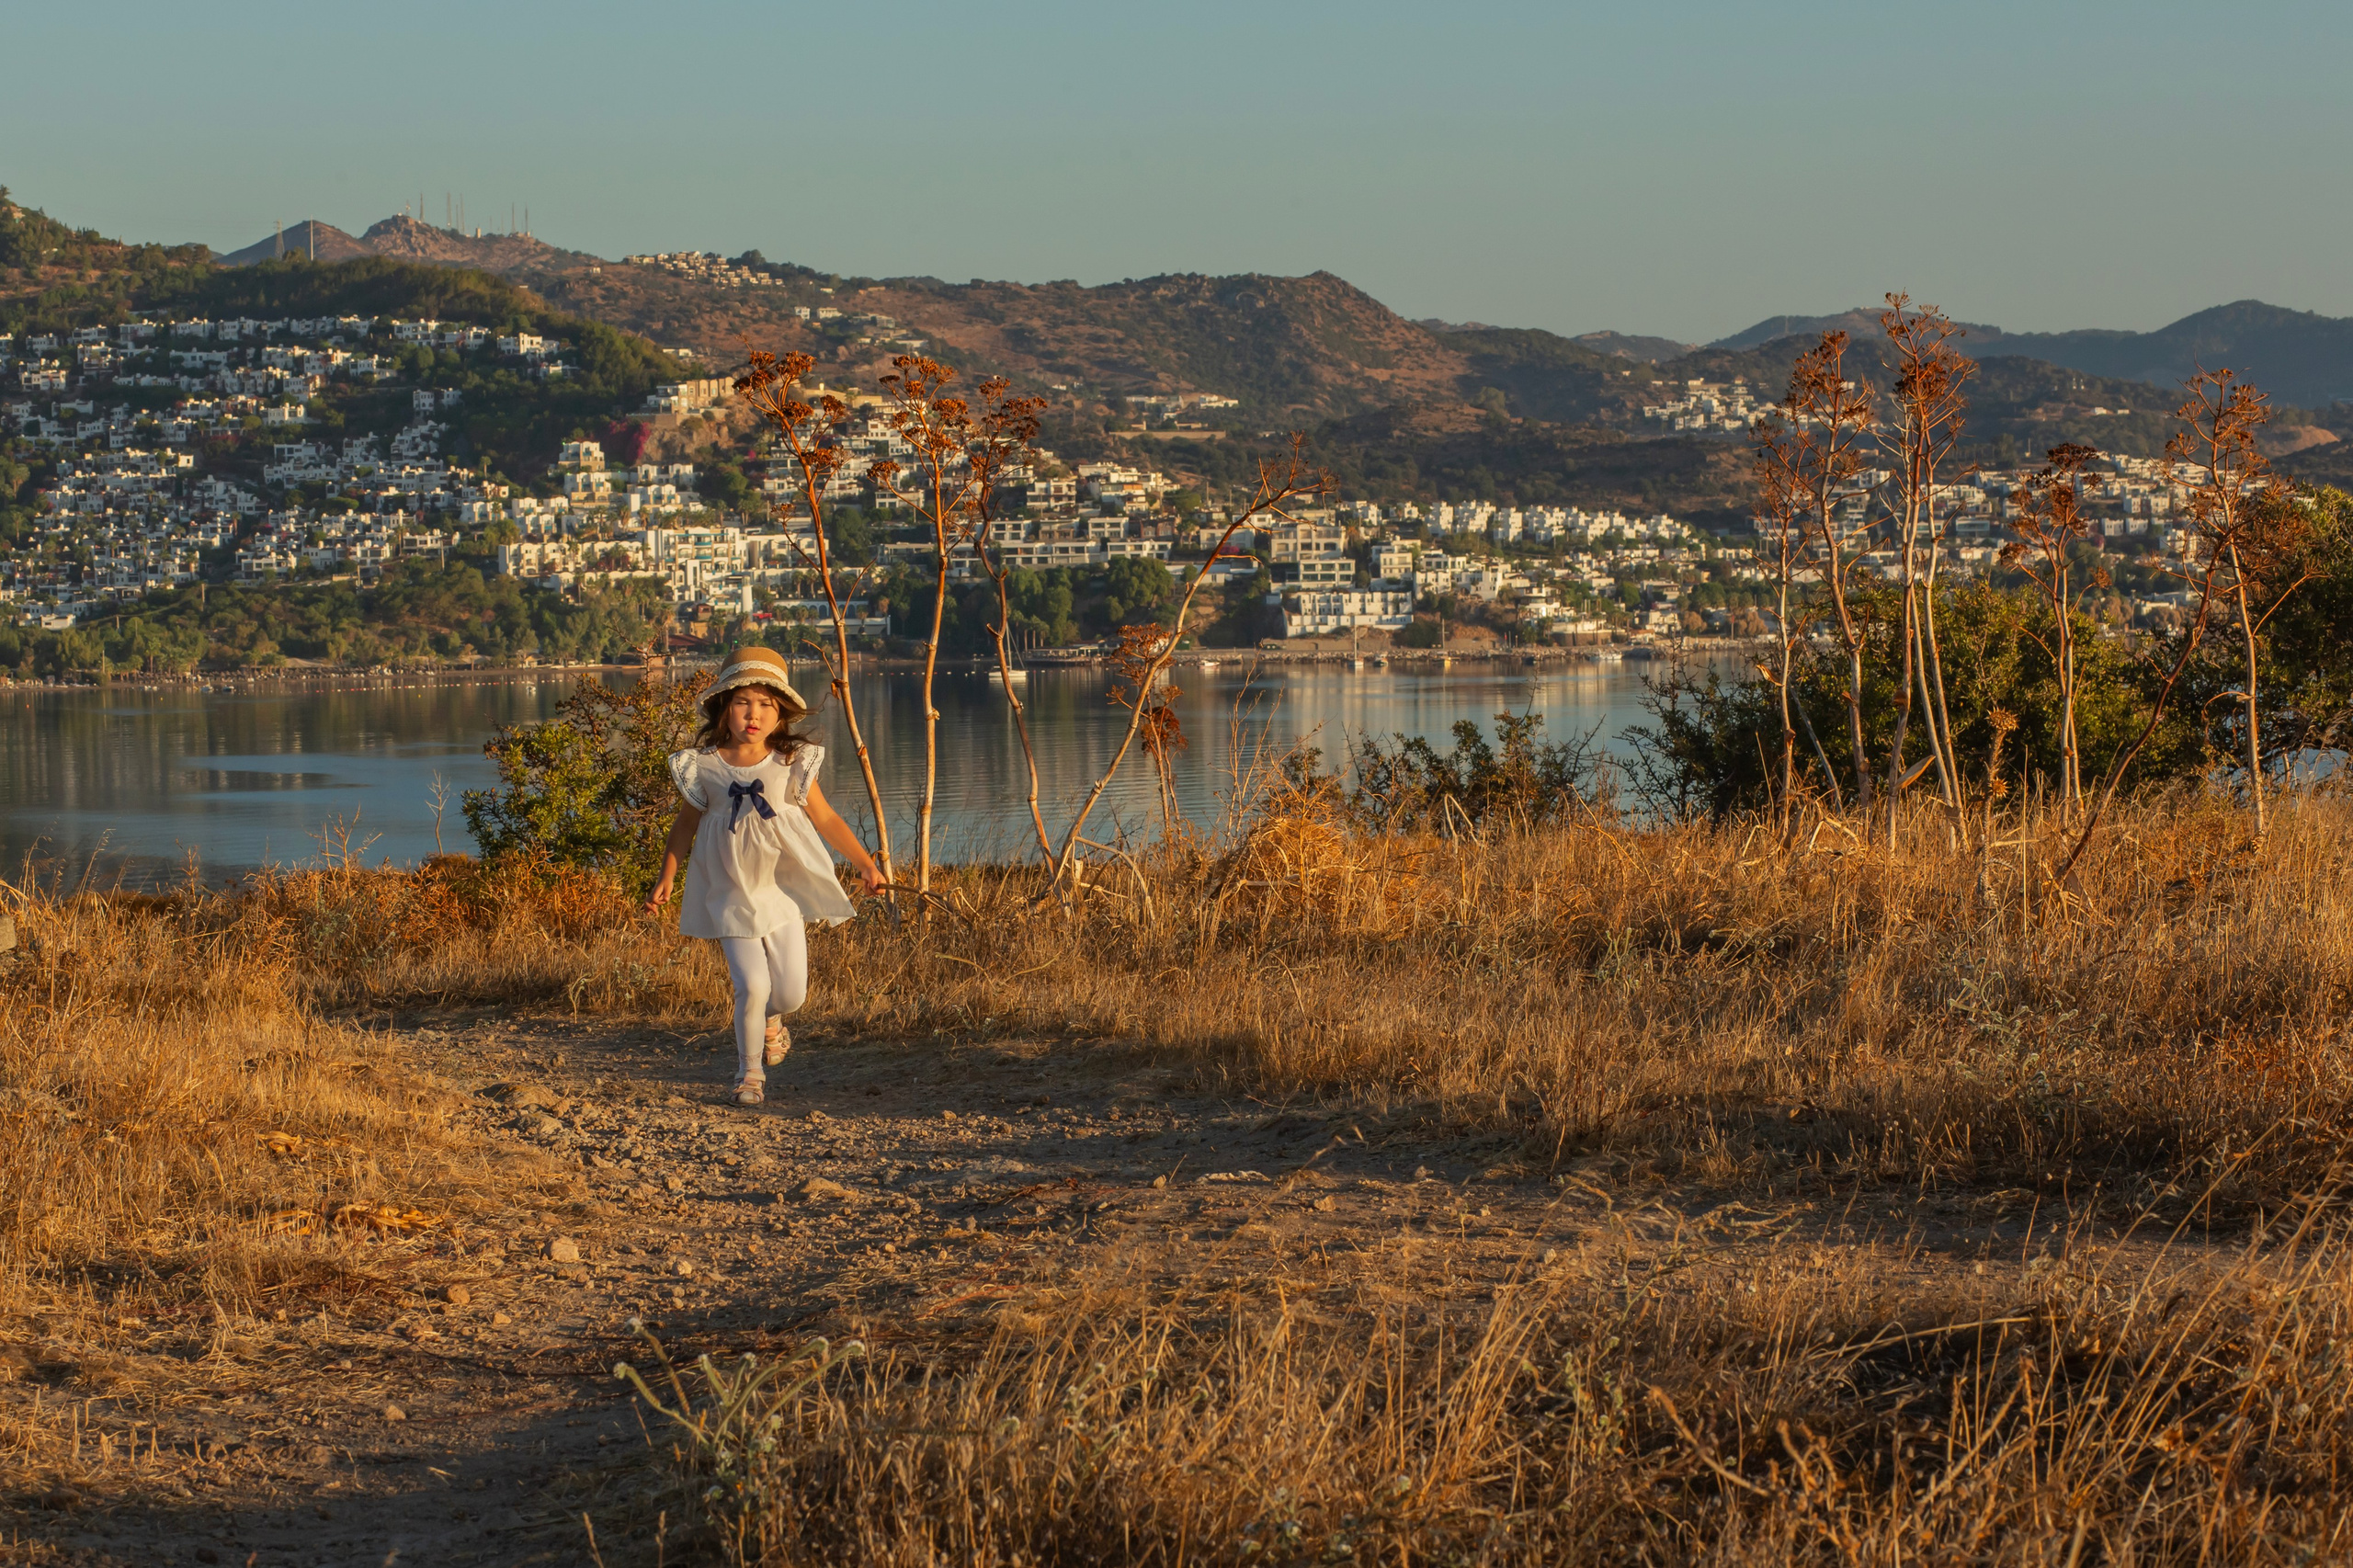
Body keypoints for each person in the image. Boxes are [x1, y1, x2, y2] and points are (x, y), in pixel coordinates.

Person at [644, 648, 885, 1106]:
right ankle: (749, 1074)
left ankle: (772, 1020)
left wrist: (864, 863)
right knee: (751, 985)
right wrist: (667, 876)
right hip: (729, 891)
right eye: (743, 703)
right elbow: (684, 828)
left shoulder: (790, 761)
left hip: (781, 892)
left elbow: (827, 819)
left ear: (780, 712)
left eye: (766, 704)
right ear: (724, 707)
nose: (754, 715)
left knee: (790, 993)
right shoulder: (704, 765)